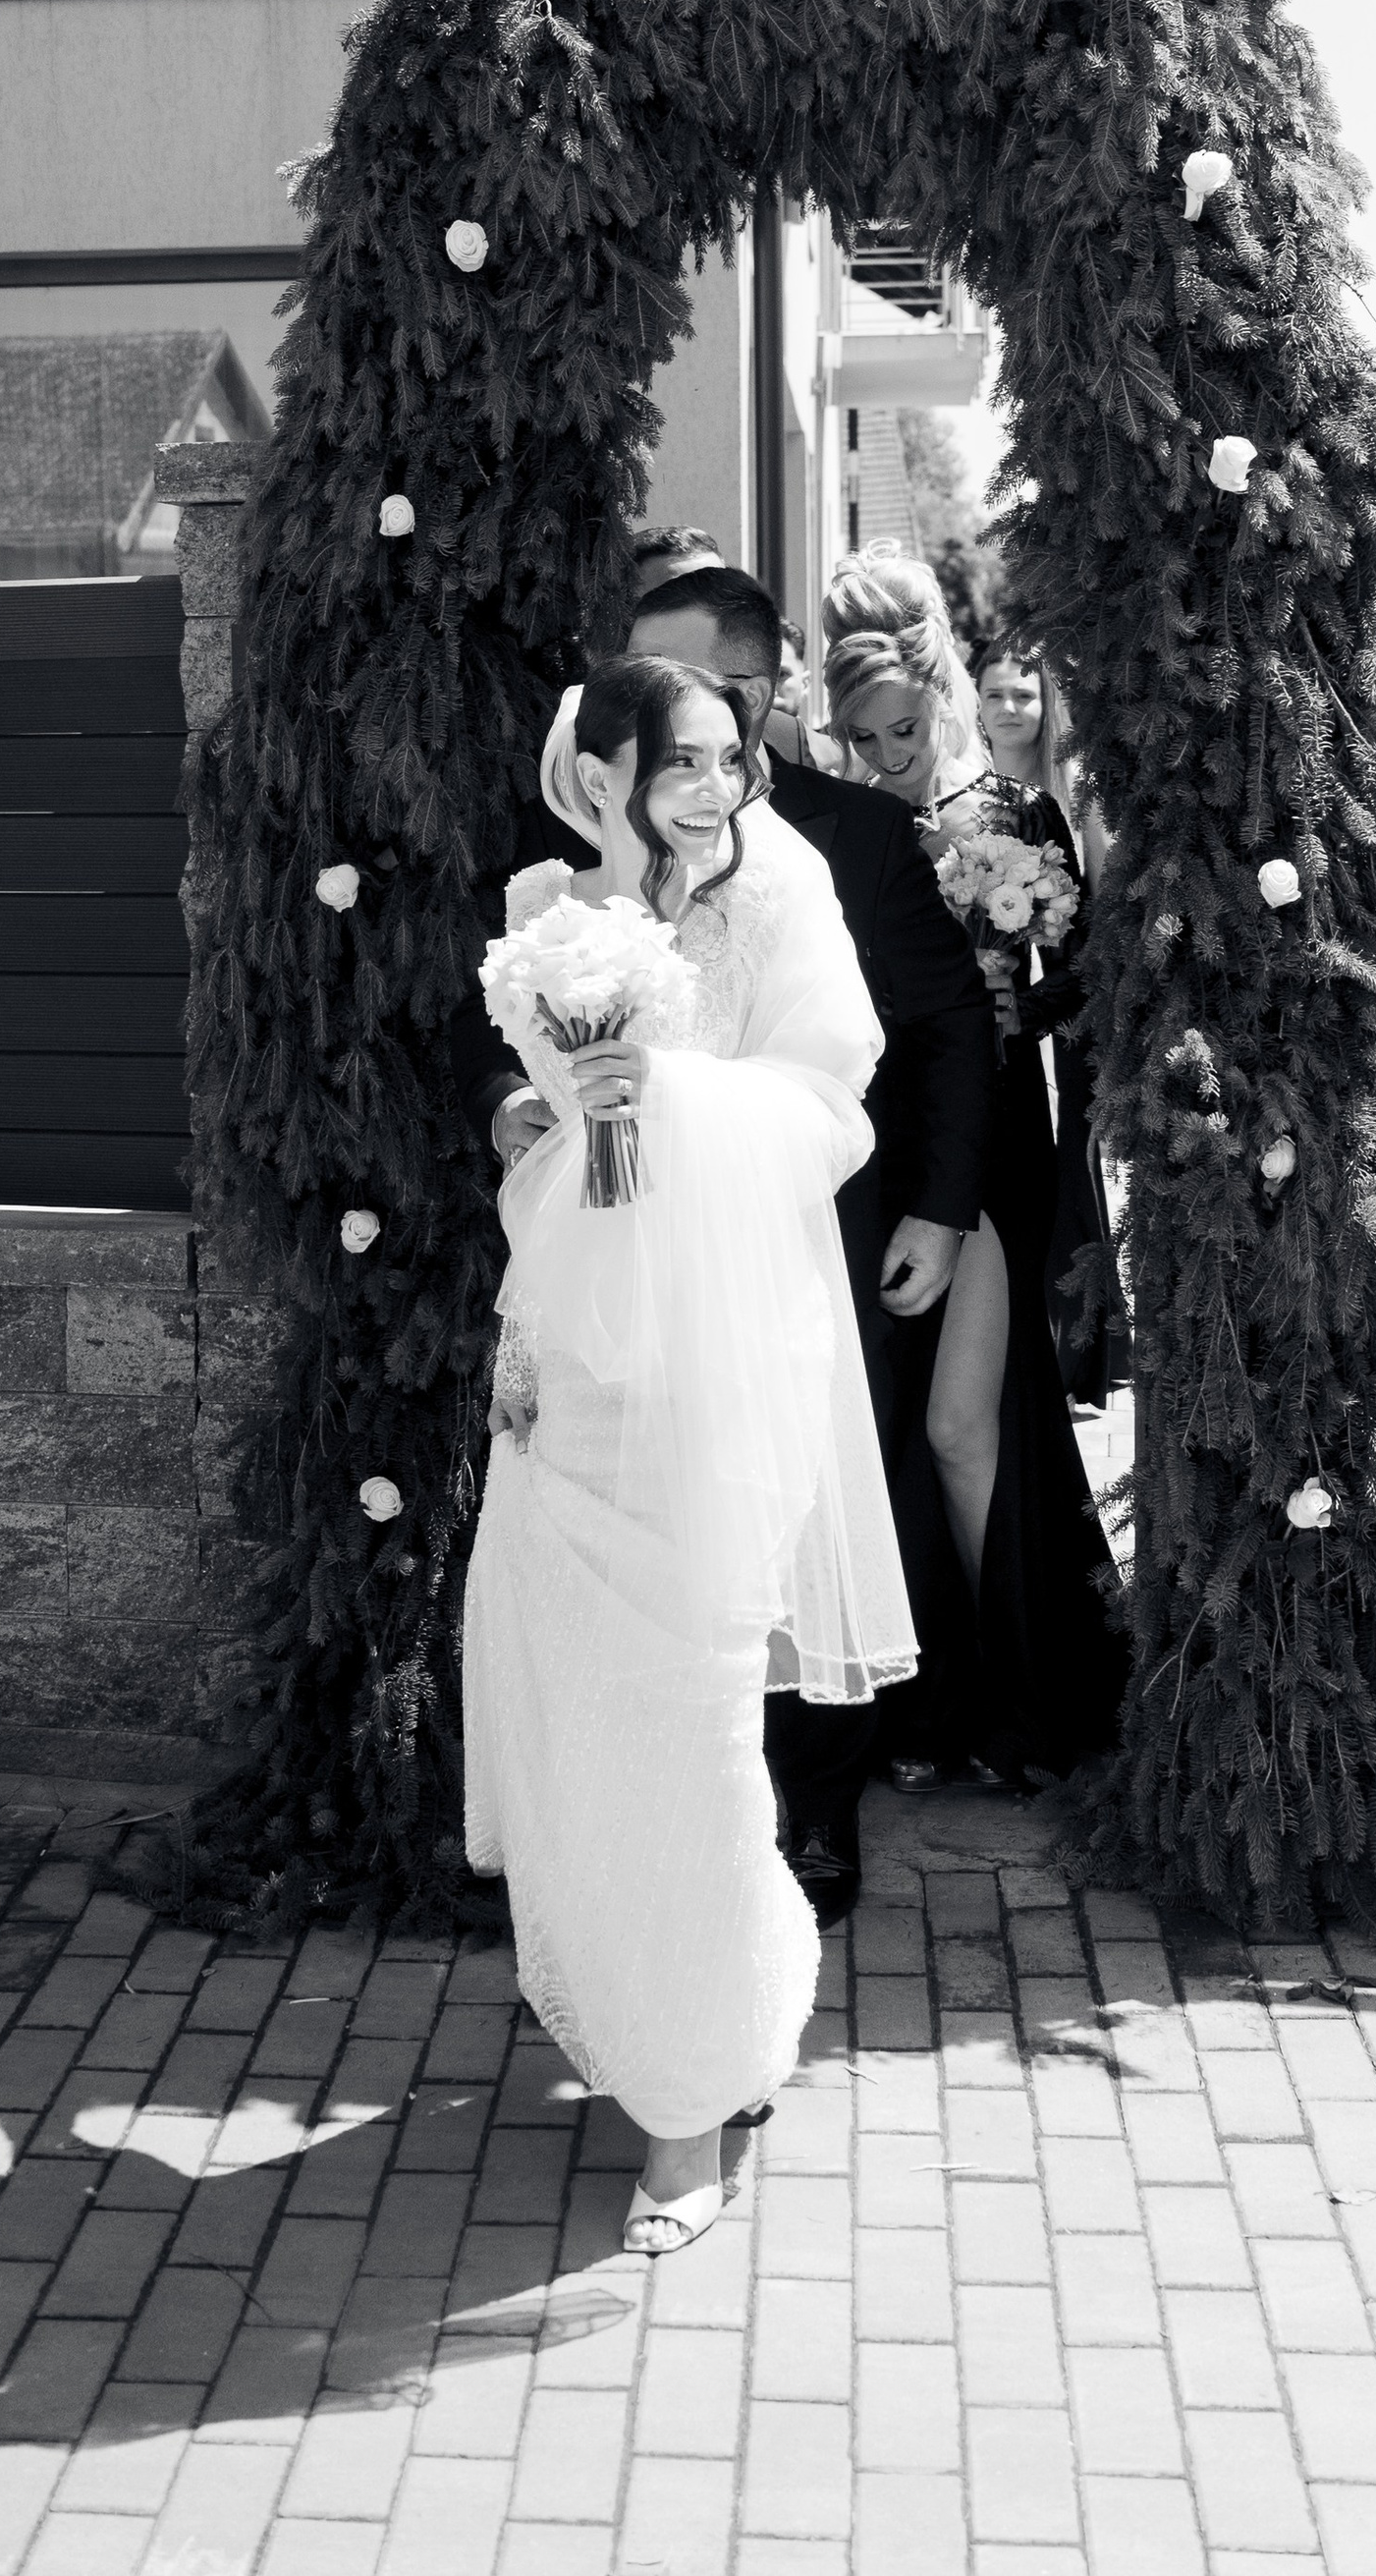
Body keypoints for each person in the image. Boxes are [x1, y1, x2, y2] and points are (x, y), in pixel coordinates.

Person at [452, 560, 994, 1927]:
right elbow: (501, 1059)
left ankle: (789, 1823)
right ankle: (618, 1847)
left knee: (762, 1553)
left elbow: (910, 1041)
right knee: (607, 1567)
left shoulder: (825, 856)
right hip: (585, 1289)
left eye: (701, 710)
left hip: (764, 1266)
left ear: (750, 696)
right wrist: (529, 1107)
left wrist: (935, 1202)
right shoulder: (546, 904)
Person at [462, 654, 913, 2257]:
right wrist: (539, 1122)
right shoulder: (542, 901)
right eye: (685, 761)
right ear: (608, 772)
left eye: (737, 757)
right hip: (565, 1358)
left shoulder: (782, 891)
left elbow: (831, 1107)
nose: (721, 788)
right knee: (574, 1701)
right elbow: (528, 1107)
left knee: (703, 1724)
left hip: (730, 1363)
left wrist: (666, 1097)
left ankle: (690, 2108)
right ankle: (679, 2009)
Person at [821, 555, 1128, 1780]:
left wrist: (1017, 995)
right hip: (872, 1147)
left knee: (964, 1423)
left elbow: (1085, 976)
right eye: (864, 736)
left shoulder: (1014, 812)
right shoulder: (835, 831)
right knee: (893, 1433)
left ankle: (1017, 1697)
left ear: (941, 697)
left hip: (993, 1148)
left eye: (905, 726)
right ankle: (926, 1700)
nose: (891, 750)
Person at [969, 630, 1121, 1405]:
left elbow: (1089, 910)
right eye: (994, 693)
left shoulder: (1069, 791)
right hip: (1001, 1004)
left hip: (1063, 998)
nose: (1008, 708)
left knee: (1074, 1166)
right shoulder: (967, 791)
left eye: (1023, 694)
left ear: (1046, 702)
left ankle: (1084, 1347)